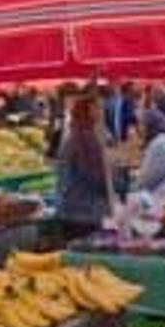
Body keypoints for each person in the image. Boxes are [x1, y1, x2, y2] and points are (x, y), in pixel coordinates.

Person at [53, 93, 113, 242]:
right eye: (97, 107)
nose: (101, 111)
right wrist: (116, 181)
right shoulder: (86, 140)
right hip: (85, 212)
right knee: (87, 260)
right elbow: (96, 177)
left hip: (68, 209)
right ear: (88, 111)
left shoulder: (74, 137)